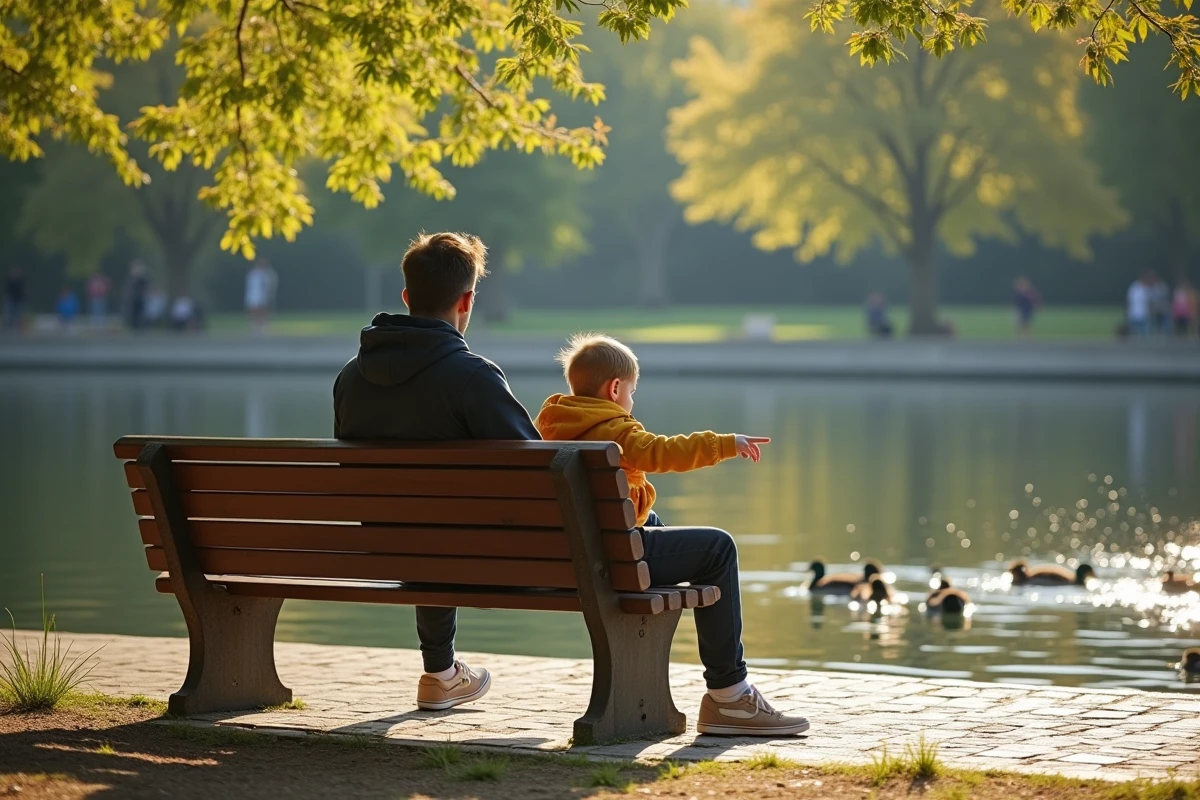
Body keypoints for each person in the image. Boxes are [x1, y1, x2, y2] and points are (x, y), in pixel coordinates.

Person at [332, 232, 808, 737]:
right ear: (467, 299)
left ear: (407, 297)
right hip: (519, 562)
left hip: (399, 554)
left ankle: (441, 672)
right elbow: (540, 484)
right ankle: (730, 697)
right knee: (716, 550)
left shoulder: (350, 379)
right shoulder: (471, 378)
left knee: (431, 523)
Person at [535, 333, 769, 529]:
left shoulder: (546, 428)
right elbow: (664, 451)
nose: (632, 401)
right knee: (721, 546)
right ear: (615, 388)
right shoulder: (618, 433)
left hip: (572, 534)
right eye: (632, 392)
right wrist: (725, 443)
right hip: (616, 538)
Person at [245, 259, 278, 333]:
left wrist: (268, 295)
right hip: (253, 294)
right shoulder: (253, 274)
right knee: (253, 310)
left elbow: (268, 286)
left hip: (262, 295)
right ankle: (255, 326)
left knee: (263, 311)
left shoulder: (265, 274)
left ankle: (264, 326)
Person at [125, 261, 149, 331]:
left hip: (141, 297)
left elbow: (146, 285)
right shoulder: (131, 277)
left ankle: (142, 326)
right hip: (134, 298)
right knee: (134, 312)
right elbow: (129, 287)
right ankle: (134, 326)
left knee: (141, 312)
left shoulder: (143, 278)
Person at [4, 267, 25, 332]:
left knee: (18, 315)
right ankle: (8, 328)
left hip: (18, 300)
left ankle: (18, 328)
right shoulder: (9, 281)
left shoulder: (20, 282)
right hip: (11, 300)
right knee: (9, 314)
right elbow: (7, 290)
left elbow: (22, 291)